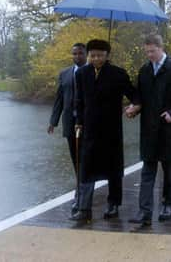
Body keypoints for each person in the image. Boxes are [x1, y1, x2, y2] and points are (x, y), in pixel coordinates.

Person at [127, 34, 171, 226]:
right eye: (146, 51)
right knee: (147, 170)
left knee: (168, 169)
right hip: (149, 129)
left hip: (169, 128)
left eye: (152, 51)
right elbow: (140, 97)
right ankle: (144, 212)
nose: (149, 55)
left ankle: (167, 204)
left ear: (161, 48)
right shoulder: (144, 71)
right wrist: (135, 108)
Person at [72, 39, 139, 222]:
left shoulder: (118, 74)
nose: (96, 59)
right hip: (89, 129)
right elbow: (79, 100)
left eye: (100, 55)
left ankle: (113, 204)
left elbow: (133, 94)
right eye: (92, 55)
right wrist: (78, 122)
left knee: (113, 170)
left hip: (111, 130)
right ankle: (84, 208)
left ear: (107, 55)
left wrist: (135, 107)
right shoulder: (82, 74)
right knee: (86, 169)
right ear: (88, 55)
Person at [47, 42, 87, 216]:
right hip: (70, 124)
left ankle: (83, 196)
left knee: (86, 161)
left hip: (88, 124)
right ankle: (79, 192)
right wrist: (53, 121)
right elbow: (59, 99)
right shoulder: (64, 74)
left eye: (80, 53)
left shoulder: (92, 73)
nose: (77, 56)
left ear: (86, 54)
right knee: (76, 160)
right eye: (74, 54)